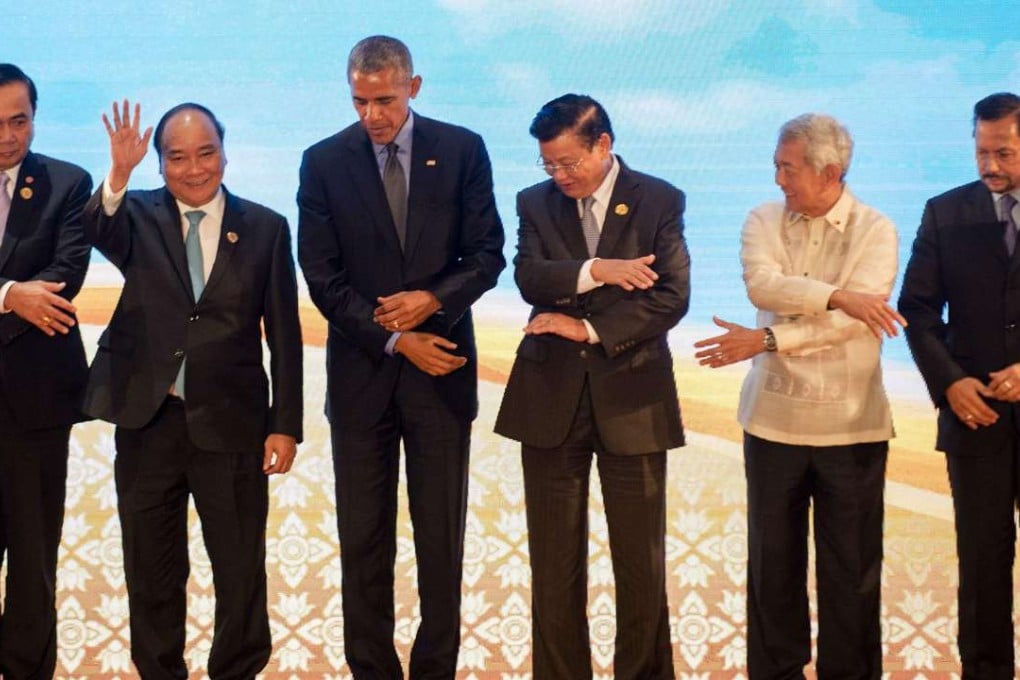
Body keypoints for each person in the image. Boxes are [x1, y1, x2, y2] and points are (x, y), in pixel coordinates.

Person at [297, 35, 505, 678]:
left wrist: (431, 302)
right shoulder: (323, 161)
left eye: (385, 100)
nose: (373, 115)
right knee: (363, 540)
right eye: (360, 101)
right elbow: (321, 275)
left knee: (441, 540)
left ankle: (435, 669)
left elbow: (487, 254)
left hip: (441, 372)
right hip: (362, 377)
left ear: (413, 87)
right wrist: (393, 336)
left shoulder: (462, 149)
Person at [82, 100, 303, 679]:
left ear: (225, 153)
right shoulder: (137, 214)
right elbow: (96, 228)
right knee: (151, 570)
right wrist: (118, 173)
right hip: (149, 421)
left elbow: (284, 333)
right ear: (159, 165)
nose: (194, 168)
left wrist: (285, 424)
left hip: (233, 424)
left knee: (239, 569)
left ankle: (236, 670)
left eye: (206, 153)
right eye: (177, 158)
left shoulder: (265, 228)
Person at [694, 113, 905, 679]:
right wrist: (839, 295)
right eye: (776, 166)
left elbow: (858, 323)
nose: (779, 180)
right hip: (772, 424)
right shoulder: (763, 219)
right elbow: (763, 286)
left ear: (829, 172)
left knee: (852, 573)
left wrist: (769, 339)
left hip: (851, 428)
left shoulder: (876, 229)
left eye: (788, 169)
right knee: (773, 569)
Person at [494, 93, 689, 679]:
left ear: (603, 144)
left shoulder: (659, 198)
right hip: (549, 399)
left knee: (640, 565)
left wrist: (587, 328)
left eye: (569, 163)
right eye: (549, 164)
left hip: (634, 396)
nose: (559, 176)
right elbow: (530, 277)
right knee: (554, 567)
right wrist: (596, 270)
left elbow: (671, 296)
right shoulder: (535, 202)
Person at [899, 92, 1020, 679]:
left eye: (1004, 153)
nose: (990, 165)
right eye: (981, 152)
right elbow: (917, 310)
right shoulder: (944, 212)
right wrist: (950, 384)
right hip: (975, 418)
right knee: (982, 565)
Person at [0, 63, 91, 679]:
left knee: (34, 562)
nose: (9, 136)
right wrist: (10, 296)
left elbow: (63, 280)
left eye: (20, 120)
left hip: (34, 404)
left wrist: (26, 299)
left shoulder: (67, 183)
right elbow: (28, 297)